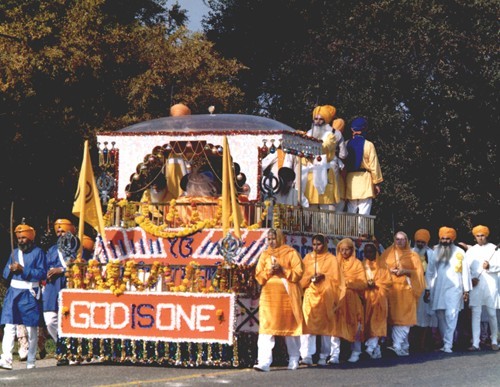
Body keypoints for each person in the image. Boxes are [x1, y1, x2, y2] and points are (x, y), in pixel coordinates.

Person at [254, 229, 304, 372]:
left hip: (287, 296)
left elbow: (298, 273)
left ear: (281, 238)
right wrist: (270, 271)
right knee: (266, 328)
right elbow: (258, 275)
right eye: (269, 239)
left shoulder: (290, 253)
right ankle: (264, 361)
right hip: (269, 297)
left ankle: (294, 358)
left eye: (274, 238)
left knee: (290, 328)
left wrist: (282, 269)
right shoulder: (265, 255)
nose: (271, 242)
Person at [0, 223, 47, 370]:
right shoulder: (14, 252)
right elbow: (5, 274)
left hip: (29, 293)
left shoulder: (39, 253)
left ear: (31, 238)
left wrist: (23, 269)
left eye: (23, 238)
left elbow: (42, 273)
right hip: (14, 292)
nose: (20, 241)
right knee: (9, 326)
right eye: (19, 238)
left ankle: (31, 360)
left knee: (31, 328)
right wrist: (11, 269)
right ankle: (6, 359)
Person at [299, 234, 345, 366]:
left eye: (318, 244)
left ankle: (324, 356)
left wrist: (324, 277)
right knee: (307, 325)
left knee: (326, 328)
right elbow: (301, 277)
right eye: (314, 244)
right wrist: (310, 278)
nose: (316, 247)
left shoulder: (332, 259)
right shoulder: (308, 258)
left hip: (326, 296)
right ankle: (306, 355)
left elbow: (337, 280)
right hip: (310, 295)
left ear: (324, 244)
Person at [425, 226, 471, 353]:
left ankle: (448, 345)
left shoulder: (460, 252)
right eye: (443, 238)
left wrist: (466, 290)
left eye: (447, 238)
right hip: (439, 288)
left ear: (453, 239)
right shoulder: (435, 252)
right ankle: (446, 342)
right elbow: (429, 272)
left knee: (451, 315)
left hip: (455, 288)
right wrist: (427, 288)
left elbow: (465, 273)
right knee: (440, 315)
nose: (445, 241)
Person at [381, 231, 425, 356]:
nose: (400, 242)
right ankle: (404, 347)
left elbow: (418, 273)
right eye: (397, 239)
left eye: (402, 239)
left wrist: (405, 271)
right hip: (392, 291)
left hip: (406, 290)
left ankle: (396, 345)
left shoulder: (412, 255)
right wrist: (390, 270)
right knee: (395, 319)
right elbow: (380, 268)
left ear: (407, 240)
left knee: (405, 318)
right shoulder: (387, 253)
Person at [43, 218, 76, 366]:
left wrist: (61, 269)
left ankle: (69, 352)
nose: (60, 234)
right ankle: (63, 346)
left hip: (69, 284)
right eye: (58, 231)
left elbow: (82, 264)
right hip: (52, 288)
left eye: (63, 230)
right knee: (50, 320)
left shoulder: (77, 246)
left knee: (70, 320)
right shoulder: (51, 249)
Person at [302, 105, 347, 210]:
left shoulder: (331, 135)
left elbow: (324, 148)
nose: (317, 121)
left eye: (321, 119)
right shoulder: (309, 133)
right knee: (311, 206)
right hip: (311, 173)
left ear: (326, 120)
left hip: (326, 172)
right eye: (315, 119)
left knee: (327, 207)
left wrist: (310, 145)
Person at [330, 237, 367, 363]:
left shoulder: (357, 263)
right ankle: (334, 354)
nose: (344, 252)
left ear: (352, 250)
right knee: (335, 326)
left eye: (347, 250)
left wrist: (349, 283)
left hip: (352, 299)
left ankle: (356, 351)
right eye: (342, 250)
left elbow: (363, 283)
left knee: (355, 324)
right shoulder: (335, 263)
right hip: (338, 298)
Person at [465, 225, 499, 351]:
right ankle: (475, 343)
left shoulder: (494, 249)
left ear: (486, 236)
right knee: (476, 314)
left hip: (491, 285)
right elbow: (465, 269)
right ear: (475, 237)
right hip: (476, 286)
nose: (480, 238)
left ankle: (494, 340)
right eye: (477, 236)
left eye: (482, 235)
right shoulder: (471, 251)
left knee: (491, 313)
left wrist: (490, 266)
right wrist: (470, 280)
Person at [340, 117, 383, 215]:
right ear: (364, 129)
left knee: (351, 210)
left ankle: (350, 230)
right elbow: (374, 165)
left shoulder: (346, 144)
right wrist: (376, 183)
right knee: (364, 212)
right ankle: (362, 231)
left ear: (352, 129)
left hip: (350, 180)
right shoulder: (369, 145)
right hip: (365, 180)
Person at [358, 242, 392, 359]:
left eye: (371, 251)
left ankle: (369, 348)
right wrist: (366, 284)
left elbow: (388, 282)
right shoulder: (361, 266)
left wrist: (375, 284)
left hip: (379, 298)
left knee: (377, 323)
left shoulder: (383, 266)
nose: (369, 254)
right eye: (366, 252)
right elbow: (358, 281)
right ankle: (376, 349)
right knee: (368, 324)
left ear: (376, 252)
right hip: (366, 299)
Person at [411, 229, 440, 351]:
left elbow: (434, 273)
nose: (420, 244)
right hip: (411, 288)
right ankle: (411, 344)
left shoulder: (432, 254)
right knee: (412, 316)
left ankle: (423, 344)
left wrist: (429, 289)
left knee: (424, 317)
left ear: (427, 242)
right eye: (418, 241)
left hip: (426, 289)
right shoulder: (410, 253)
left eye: (423, 242)